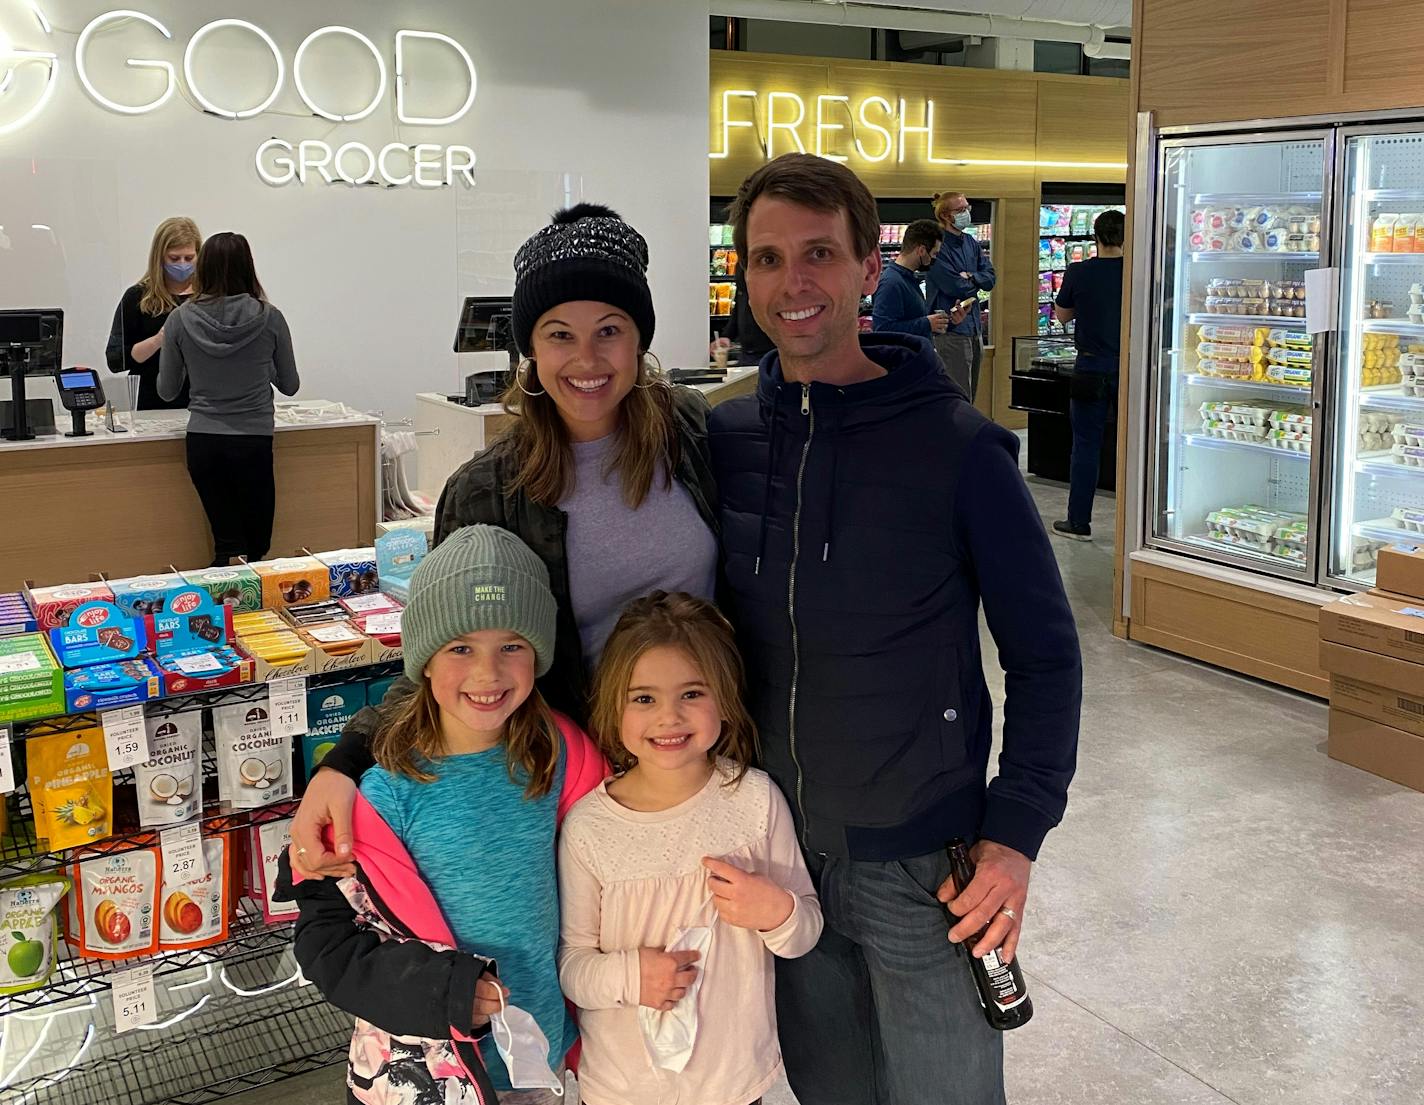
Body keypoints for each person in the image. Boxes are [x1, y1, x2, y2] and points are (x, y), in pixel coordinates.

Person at [709, 152, 1082, 1105]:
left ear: (869, 269)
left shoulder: (959, 449)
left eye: (820, 254)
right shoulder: (728, 440)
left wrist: (1018, 831)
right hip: (778, 857)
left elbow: (1044, 653)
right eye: (767, 258)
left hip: (925, 870)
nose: (793, 283)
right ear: (744, 276)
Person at [288, 204, 720, 879]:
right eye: (558, 335)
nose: (586, 359)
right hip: (577, 784)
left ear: (640, 339)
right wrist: (344, 765)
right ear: (529, 350)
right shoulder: (489, 492)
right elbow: (445, 657)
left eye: (610, 330)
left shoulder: (693, 439)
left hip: (705, 760)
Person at [276, 525, 607, 1104]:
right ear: (423, 661)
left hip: (541, 1059)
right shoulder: (381, 795)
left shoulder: (561, 757)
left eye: (513, 645)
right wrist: (439, 994)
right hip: (422, 1076)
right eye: (460, 648)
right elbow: (325, 943)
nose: (488, 674)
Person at [558, 591, 822, 1105]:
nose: (669, 717)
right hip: (621, 1088)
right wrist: (632, 975)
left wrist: (777, 911)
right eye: (644, 698)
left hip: (730, 1084)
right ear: (614, 706)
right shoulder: (590, 827)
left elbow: (804, 932)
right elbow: (573, 965)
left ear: (724, 698)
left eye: (692, 694)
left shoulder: (753, 801)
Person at [158, 232, 298, 567]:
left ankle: (224, 608)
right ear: (248, 267)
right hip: (253, 439)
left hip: (204, 441)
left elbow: (167, 389)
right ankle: (256, 611)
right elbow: (290, 384)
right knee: (256, 544)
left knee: (226, 540)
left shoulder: (179, 319)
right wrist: (262, 365)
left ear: (202, 267)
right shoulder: (271, 317)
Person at [1051, 209, 1126, 542]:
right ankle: (1139, 525)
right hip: (1131, 367)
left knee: (1085, 445)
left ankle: (1078, 521)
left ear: (1095, 237)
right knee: (1137, 444)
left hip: (1090, 366)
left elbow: (1063, 315)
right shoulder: (1138, 271)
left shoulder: (1079, 271)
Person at [105, 216, 202, 410]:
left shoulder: (208, 296)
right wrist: (158, 340)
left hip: (203, 402)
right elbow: (116, 360)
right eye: (174, 259)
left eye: (189, 258)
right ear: (160, 257)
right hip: (154, 404)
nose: (182, 264)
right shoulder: (138, 298)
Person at [925, 190, 996, 401]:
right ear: (946, 215)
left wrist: (971, 276)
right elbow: (954, 286)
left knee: (970, 394)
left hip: (974, 328)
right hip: (951, 331)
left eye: (968, 208)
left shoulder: (971, 243)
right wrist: (975, 280)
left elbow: (990, 278)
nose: (967, 213)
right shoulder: (937, 246)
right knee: (957, 396)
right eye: (961, 209)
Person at [870, 218, 963, 340]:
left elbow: (915, 324)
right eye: (934, 254)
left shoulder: (907, 279)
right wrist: (926, 323)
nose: (934, 260)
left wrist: (948, 322)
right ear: (922, 250)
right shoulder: (891, 283)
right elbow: (882, 330)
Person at [712, 268, 773, 365]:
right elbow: (739, 308)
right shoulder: (743, 278)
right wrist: (727, 335)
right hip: (747, 353)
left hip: (769, 354)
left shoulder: (769, 283)